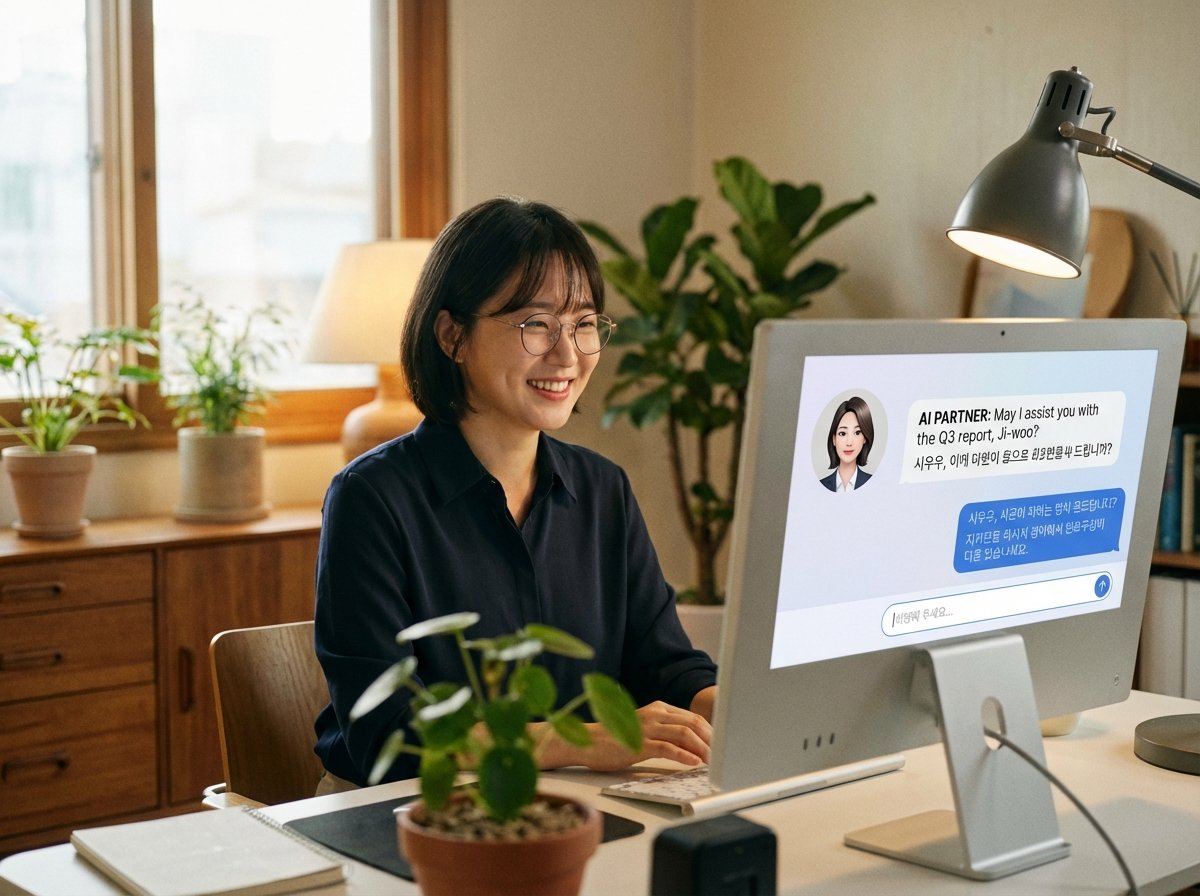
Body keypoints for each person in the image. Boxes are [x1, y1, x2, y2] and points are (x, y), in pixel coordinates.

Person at [312, 196, 718, 793]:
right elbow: (389, 733)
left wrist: (728, 712)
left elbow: (666, 664)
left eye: (584, 324)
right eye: (536, 324)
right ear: (452, 335)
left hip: (575, 793)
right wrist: (581, 737)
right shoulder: (370, 498)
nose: (569, 355)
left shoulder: (603, 489)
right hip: (404, 804)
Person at [820, 395, 874, 492]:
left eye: (857, 433)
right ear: (834, 439)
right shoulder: (820, 485)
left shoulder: (874, 484)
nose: (849, 442)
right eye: (843, 433)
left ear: (865, 438)